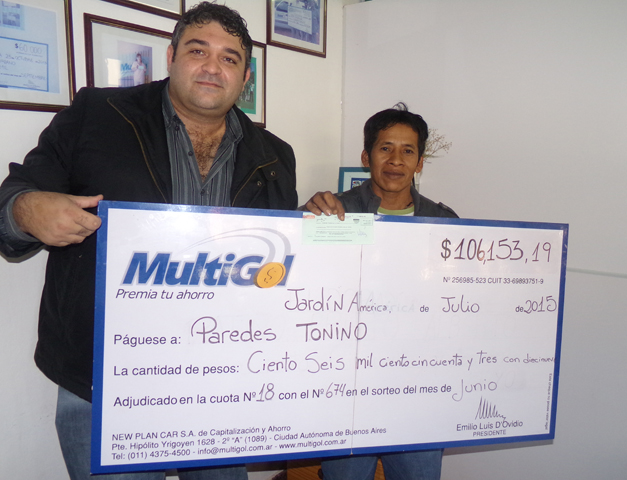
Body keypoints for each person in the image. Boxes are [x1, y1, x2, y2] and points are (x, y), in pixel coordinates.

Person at [0, 3, 296, 480]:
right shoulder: (96, 115)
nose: (212, 67)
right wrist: (27, 209)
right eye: (198, 51)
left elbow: (277, 266)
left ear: (244, 78)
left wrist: (321, 228)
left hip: (224, 378)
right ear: (171, 56)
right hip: (103, 379)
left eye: (229, 58)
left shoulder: (276, 156)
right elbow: (15, 195)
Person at [303, 103, 457, 480]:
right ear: (366, 157)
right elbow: (298, 286)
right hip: (347, 390)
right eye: (385, 148)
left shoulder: (444, 222)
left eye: (408, 151)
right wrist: (302, 219)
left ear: (420, 163)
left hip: (418, 393)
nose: (396, 160)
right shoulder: (334, 213)